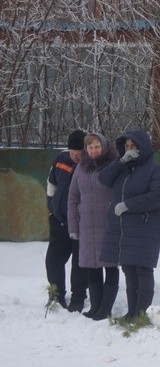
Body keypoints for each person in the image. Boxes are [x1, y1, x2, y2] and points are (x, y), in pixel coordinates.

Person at [98, 129, 160, 322]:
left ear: (142, 147)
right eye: (126, 146)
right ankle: (131, 312)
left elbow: (157, 196)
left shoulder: (155, 169)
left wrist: (128, 205)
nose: (129, 150)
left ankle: (141, 313)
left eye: (133, 146)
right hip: (123, 228)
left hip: (145, 225)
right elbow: (103, 179)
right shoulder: (122, 168)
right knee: (128, 268)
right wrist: (120, 161)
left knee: (143, 268)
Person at [67, 133, 120, 320]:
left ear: (104, 147)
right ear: (86, 149)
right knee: (92, 267)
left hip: (109, 225)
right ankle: (96, 306)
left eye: (97, 147)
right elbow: (73, 198)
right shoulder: (81, 168)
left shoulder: (114, 165)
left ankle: (105, 309)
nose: (94, 150)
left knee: (110, 266)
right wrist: (73, 227)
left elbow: (122, 192)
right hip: (87, 227)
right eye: (90, 147)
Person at [46, 129, 87, 311]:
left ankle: (78, 298)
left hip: (80, 224)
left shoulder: (90, 164)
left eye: (78, 153)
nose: (74, 156)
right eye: (72, 153)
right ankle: (56, 295)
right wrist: (52, 208)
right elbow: (51, 182)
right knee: (53, 261)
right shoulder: (61, 159)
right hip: (59, 221)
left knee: (79, 263)